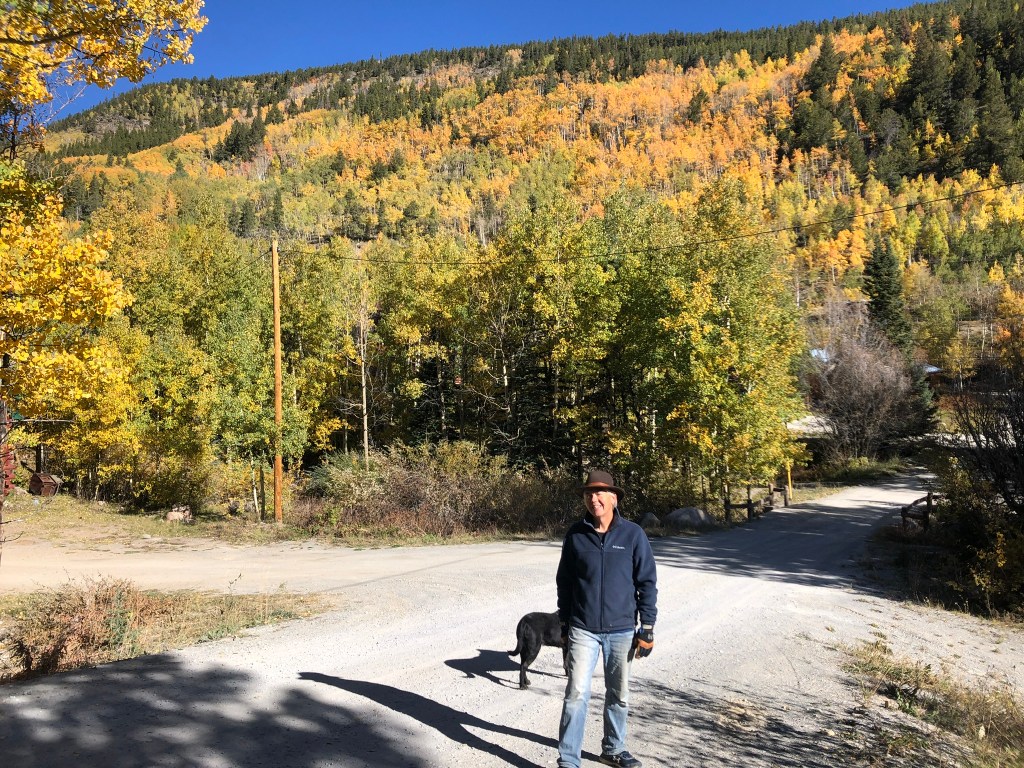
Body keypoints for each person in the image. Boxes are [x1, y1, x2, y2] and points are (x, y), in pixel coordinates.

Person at [555, 469, 658, 768]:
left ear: (614, 498)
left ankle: (613, 749)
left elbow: (647, 583)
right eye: (589, 493)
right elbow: (565, 582)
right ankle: (569, 760)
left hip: (622, 629)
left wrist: (647, 627)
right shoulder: (575, 535)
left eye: (600, 493)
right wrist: (564, 623)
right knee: (576, 693)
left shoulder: (633, 534)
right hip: (582, 628)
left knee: (619, 694)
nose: (594, 498)